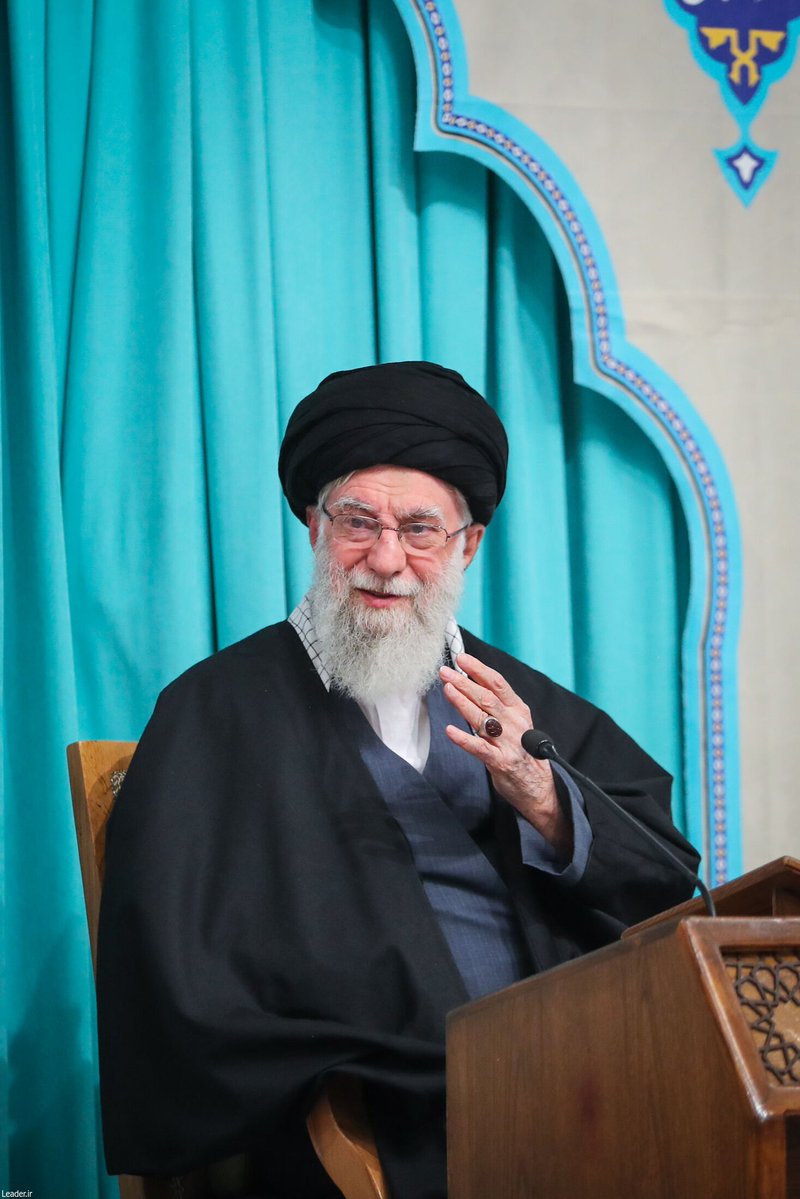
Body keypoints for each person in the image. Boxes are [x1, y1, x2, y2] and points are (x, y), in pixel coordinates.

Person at [96, 361, 700, 1199]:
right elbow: (173, 972)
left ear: (467, 545)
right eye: (358, 522)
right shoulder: (213, 710)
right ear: (314, 523)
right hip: (371, 1114)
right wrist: (389, 1053)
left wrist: (543, 799)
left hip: (576, 1084)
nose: (387, 559)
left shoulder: (515, 700)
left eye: (421, 529)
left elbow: (666, 875)